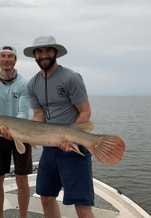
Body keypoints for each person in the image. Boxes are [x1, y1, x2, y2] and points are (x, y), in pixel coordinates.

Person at [24, 36, 95, 218]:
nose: (43, 55)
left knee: (82, 207)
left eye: (48, 50)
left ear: (55, 52)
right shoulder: (32, 84)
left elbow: (85, 112)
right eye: (39, 51)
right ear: (34, 55)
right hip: (50, 150)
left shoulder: (71, 78)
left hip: (74, 148)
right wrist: (20, 131)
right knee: (46, 198)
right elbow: (39, 116)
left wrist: (70, 138)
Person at [0, 45, 32, 218]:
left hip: (22, 133)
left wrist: (11, 129)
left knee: (22, 178)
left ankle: (23, 216)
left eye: (9, 56)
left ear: (15, 60)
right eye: (2, 56)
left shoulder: (25, 84)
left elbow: (23, 112)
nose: (6, 59)